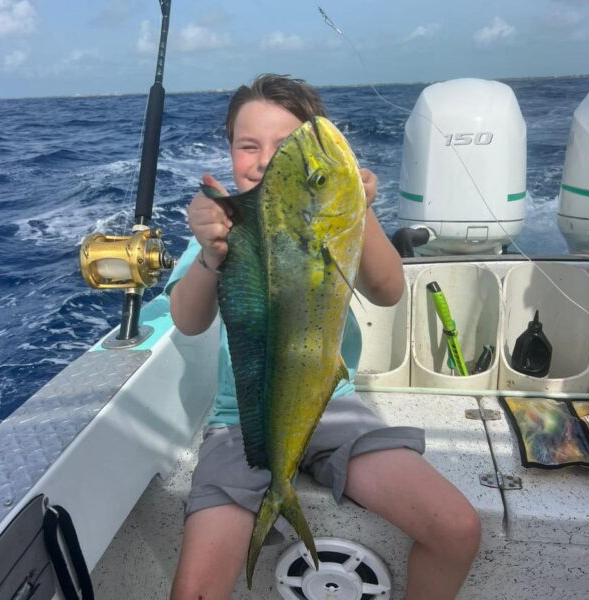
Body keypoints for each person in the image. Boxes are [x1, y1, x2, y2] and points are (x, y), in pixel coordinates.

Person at [167, 74, 481, 600]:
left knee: (457, 529)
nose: (264, 160)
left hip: (333, 406)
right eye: (248, 146)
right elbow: (187, 320)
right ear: (229, 149)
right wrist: (209, 253)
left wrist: (359, 208)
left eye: (284, 145)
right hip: (240, 424)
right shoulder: (222, 225)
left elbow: (387, 291)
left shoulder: (336, 224)